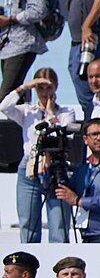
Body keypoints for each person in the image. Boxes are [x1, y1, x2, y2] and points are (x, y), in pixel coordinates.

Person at [4, 67, 82, 242]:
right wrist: (25, 87)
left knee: (59, 225)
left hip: (55, 165)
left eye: (48, 87)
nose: (45, 92)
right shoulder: (27, 111)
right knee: (28, 222)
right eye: (40, 88)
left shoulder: (65, 112)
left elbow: (59, 134)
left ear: (55, 87)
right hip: (30, 165)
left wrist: (50, 112)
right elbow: (4, 107)